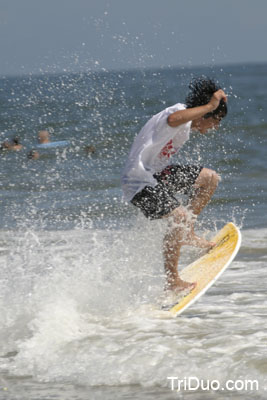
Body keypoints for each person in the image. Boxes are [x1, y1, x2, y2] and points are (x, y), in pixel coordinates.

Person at [121, 77, 227, 294]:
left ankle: (187, 232)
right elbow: (173, 119)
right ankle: (172, 281)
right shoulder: (179, 113)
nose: (214, 127)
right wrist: (209, 105)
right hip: (138, 182)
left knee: (210, 179)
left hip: (156, 175)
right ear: (206, 113)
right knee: (178, 216)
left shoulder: (186, 123)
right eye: (216, 121)